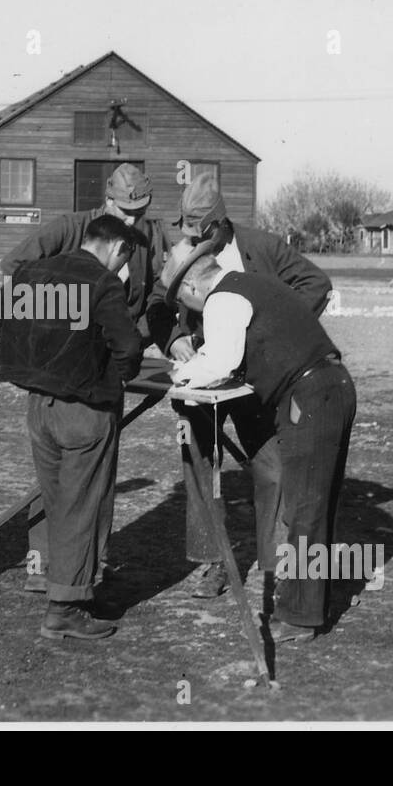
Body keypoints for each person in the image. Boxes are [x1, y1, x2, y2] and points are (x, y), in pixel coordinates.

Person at [145, 174, 333, 598]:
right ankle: (213, 563)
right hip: (201, 376)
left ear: (218, 225)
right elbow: (158, 302)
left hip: (254, 382)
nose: (191, 240)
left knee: (272, 466)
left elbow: (316, 285)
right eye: (186, 231)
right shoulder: (185, 254)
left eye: (199, 232)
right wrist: (175, 340)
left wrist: (272, 339)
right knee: (200, 465)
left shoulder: (262, 248)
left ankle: (277, 560)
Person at [162, 238, 356, 641]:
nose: (189, 312)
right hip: (331, 385)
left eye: (183, 300)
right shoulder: (251, 283)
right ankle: (318, 598)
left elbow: (219, 361)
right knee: (320, 502)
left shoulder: (222, 299)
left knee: (305, 506)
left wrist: (179, 376)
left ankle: (300, 618)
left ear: (193, 288)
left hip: (309, 394)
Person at [0, 163, 169, 591]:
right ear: (105, 201)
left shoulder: (144, 240)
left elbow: (152, 296)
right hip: (63, 366)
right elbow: (16, 264)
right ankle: (44, 565)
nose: (132, 221)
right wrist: (63, 319)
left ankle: (89, 566)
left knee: (96, 475)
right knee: (58, 473)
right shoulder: (70, 228)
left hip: (108, 366)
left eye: (140, 212)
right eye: (125, 211)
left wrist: (135, 339)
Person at [0, 215, 144, 639]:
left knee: (57, 502)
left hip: (39, 408)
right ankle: (65, 607)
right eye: (126, 258)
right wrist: (112, 373)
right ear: (117, 249)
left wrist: (37, 348)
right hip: (84, 411)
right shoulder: (103, 282)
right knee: (82, 505)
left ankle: (69, 589)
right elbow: (128, 346)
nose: (123, 266)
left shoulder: (35, 271)